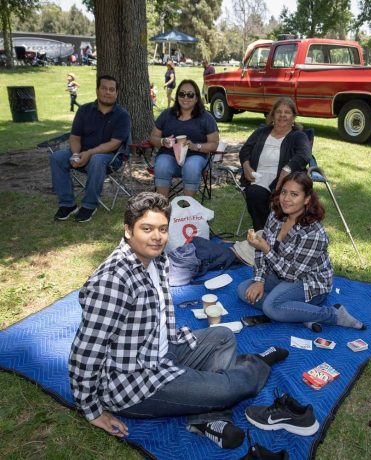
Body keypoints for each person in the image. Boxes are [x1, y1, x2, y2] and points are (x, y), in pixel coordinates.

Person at [68, 192, 288, 449]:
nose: (157, 237)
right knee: (231, 387)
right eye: (146, 229)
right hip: (135, 383)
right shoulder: (113, 282)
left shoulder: (156, 259)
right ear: (128, 231)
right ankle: (257, 363)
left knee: (222, 336)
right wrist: (92, 410)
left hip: (160, 351)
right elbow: (85, 351)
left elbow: (159, 317)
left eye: (162, 229)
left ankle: (206, 418)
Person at [237, 171, 366, 331]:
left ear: (307, 199)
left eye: (294, 194)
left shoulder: (314, 233)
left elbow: (292, 274)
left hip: (308, 282)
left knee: (271, 307)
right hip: (279, 275)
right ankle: (301, 313)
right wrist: (259, 280)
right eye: (284, 192)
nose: (286, 199)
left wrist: (265, 248)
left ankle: (333, 314)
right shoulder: (276, 215)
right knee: (244, 290)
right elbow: (260, 251)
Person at [50, 75, 131, 223]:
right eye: (104, 88)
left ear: (116, 93)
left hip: (110, 158)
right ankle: (67, 204)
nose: (107, 92)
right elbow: (75, 137)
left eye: (111, 89)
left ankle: (89, 205)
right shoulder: (84, 110)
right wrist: (75, 155)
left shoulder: (123, 115)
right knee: (57, 157)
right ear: (97, 90)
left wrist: (88, 153)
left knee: (97, 159)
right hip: (81, 152)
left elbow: (114, 144)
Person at [239, 97, 312, 231]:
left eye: (287, 112)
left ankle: (271, 232)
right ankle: (262, 232)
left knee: (280, 197)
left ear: (293, 116)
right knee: (255, 193)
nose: (282, 115)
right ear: (273, 115)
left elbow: (304, 155)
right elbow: (245, 150)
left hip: (283, 179)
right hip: (257, 177)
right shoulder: (261, 132)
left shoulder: (298, 136)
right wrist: (246, 166)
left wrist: (286, 170)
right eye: (279, 112)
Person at [150, 79, 219, 198]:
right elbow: (153, 137)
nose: (185, 98)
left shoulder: (206, 118)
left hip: (196, 156)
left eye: (190, 94)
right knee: (162, 164)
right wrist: (163, 141)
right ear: (177, 97)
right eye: (182, 94)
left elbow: (214, 144)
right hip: (169, 155)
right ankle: (162, 206)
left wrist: (195, 146)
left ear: (196, 98)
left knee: (191, 166)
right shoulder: (167, 114)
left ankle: (188, 208)